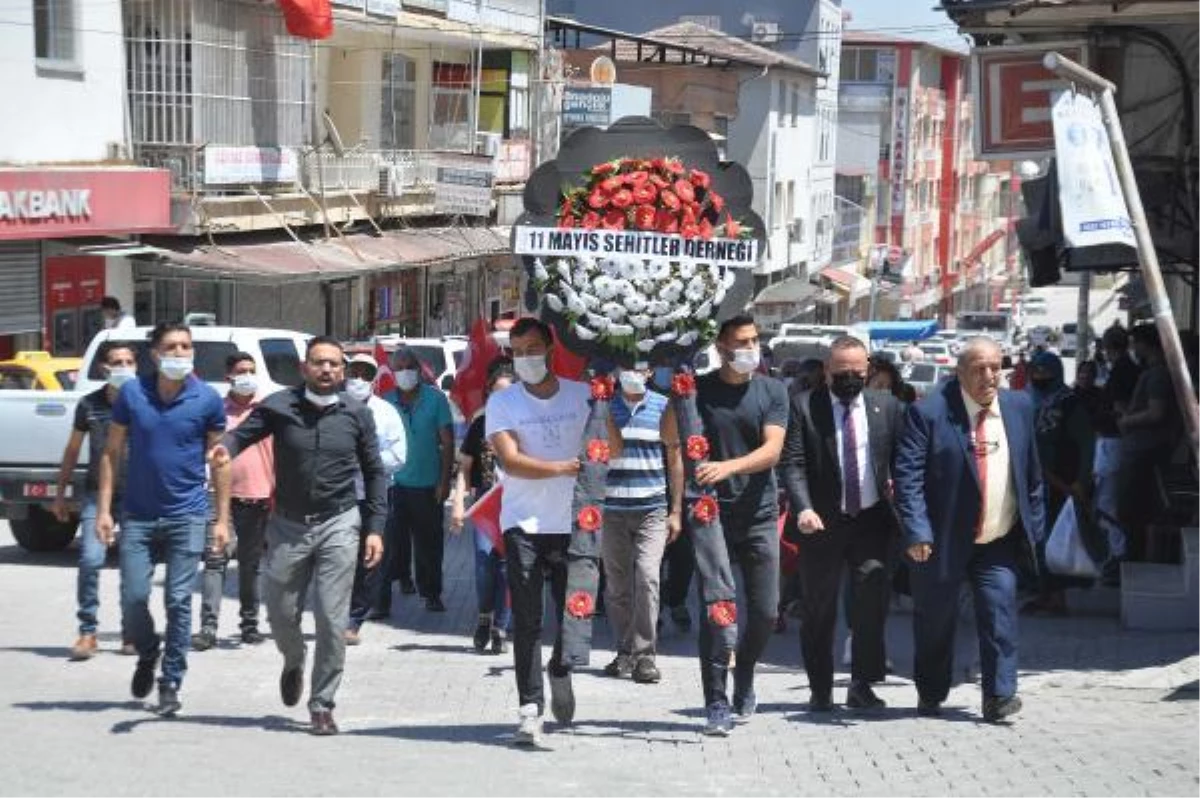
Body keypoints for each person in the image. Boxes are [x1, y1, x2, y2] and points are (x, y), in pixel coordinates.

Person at [218, 337, 387, 736]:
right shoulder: (279, 407)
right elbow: (239, 436)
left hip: (339, 523)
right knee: (278, 610)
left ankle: (322, 703)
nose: (326, 370)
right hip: (288, 525)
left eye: (333, 364)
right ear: (303, 368)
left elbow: (376, 472)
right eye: (318, 363)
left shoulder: (357, 414)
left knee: (331, 618)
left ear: (342, 371)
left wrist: (375, 529)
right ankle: (293, 659)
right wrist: (224, 447)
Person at [894, 337, 1045, 723]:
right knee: (936, 621)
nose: (989, 376)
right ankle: (931, 690)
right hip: (940, 540)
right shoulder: (928, 413)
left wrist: (1036, 526)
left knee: (999, 613)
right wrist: (917, 531)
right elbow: (907, 478)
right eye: (979, 368)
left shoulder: (1020, 406)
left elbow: (1032, 472)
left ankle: (999, 696)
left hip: (997, 539)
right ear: (959, 372)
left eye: (996, 367)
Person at [97, 322, 231, 717]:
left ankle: (171, 679)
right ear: (154, 354)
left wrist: (221, 519)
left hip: (187, 514)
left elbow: (220, 461)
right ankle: (148, 650)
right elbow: (112, 451)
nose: (180, 353)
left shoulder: (206, 398)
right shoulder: (132, 394)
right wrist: (104, 509)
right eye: (172, 347)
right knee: (133, 596)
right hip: (138, 515)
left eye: (186, 347)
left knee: (177, 600)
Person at [780, 336, 905, 712]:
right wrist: (802, 507)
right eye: (841, 372)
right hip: (821, 523)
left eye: (856, 372)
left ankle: (862, 684)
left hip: (871, 521)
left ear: (867, 371)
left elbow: (901, 460)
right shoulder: (804, 407)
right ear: (827, 372)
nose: (849, 378)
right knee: (819, 609)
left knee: (871, 602)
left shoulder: (888, 407)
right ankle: (820, 689)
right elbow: (794, 463)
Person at [485, 317, 593, 745]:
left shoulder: (582, 395)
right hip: (523, 525)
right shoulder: (504, 403)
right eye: (518, 351)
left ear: (550, 349)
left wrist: (608, 404)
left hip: (573, 525)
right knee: (527, 620)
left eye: (533, 348)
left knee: (574, 614)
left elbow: (612, 448)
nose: (526, 357)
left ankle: (561, 669)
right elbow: (511, 462)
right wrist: (562, 467)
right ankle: (530, 706)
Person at [693, 314, 789, 736]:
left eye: (755, 340)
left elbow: (771, 451)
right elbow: (673, 437)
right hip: (711, 515)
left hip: (760, 514)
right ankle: (715, 700)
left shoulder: (772, 390)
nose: (750, 348)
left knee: (766, 611)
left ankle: (744, 671)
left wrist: (726, 467)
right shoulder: (700, 390)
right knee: (717, 611)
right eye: (741, 342)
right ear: (721, 346)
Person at [600, 361, 683, 684]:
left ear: (651, 373)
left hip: (652, 508)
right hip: (612, 508)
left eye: (639, 368)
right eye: (625, 367)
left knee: (647, 577)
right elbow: (602, 453)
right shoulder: (604, 406)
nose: (632, 373)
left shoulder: (663, 407)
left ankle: (646, 655)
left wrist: (676, 510)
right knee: (617, 584)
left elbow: (674, 460)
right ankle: (624, 651)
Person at [54, 342, 138, 660]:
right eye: (117, 362)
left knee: (133, 567)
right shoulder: (89, 404)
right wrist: (61, 493)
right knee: (90, 560)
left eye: (130, 361)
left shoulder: (144, 401)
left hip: (136, 497)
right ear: (104, 367)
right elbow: (73, 450)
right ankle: (87, 632)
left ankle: (131, 633)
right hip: (95, 494)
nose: (124, 367)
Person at [192, 353, 275, 652]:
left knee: (251, 566)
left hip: (259, 497)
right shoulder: (216, 411)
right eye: (242, 371)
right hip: (219, 498)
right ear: (229, 376)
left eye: (252, 371)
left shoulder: (267, 411)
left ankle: (250, 625)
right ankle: (208, 628)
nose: (248, 376)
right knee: (215, 561)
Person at [379, 346, 454, 613]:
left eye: (408, 367)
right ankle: (385, 596)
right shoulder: (385, 401)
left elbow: (447, 442)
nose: (404, 373)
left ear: (419, 370)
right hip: (393, 486)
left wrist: (445, 482)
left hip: (427, 485)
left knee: (429, 544)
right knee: (391, 544)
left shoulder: (435, 400)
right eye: (398, 368)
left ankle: (431, 592)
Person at [1022, 351, 1095, 615]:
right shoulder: (1027, 398)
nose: (1039, 377)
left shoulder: (1069, 403)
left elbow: (1086, 443)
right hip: (1031, 478)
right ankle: (1044, 592)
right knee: (1034, 538)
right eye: (1036, 372)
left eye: (1045, 373)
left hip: (1061, 481)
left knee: (1055, 538)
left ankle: (1056, 596)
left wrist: (1080, 481)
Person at [450, 359, 515, 655]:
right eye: (497, 393)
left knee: (507, 569)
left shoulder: (525, 424)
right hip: (486, 505)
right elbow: (464, 468)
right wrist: (457, 506)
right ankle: (484, 616)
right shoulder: (480, 423)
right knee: (482, 563)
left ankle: (502, 627)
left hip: (517, 505)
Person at [344, 353, 408, 645]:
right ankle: (338, 611)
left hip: (375, 497)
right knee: (339, 558)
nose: (357, 379)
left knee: (369, 560)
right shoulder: (334, 408)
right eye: (353, 372)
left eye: (364, 374)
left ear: (373, 380)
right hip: (340, 497)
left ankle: (355, 619)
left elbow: (398, 456)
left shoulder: (386, 412)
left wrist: (366, 463)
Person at [1117, 323, 1182, 562]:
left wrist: (1128, 420)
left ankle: (1135, 558)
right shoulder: (1153, 371)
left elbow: (1156, 412)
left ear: (1146, 344)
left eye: (1136, 343)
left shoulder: (1158, 374)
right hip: (1142, 449)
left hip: (1145, 451)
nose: (1134, 348)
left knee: (1134, 510)